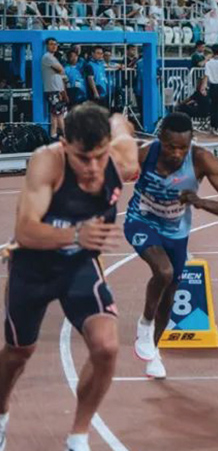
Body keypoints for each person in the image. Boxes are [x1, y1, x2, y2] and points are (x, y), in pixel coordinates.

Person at [0, 103, 139, 451]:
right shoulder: (47, 162)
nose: (92, 167)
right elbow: (26, 230)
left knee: (106, 347)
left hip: (78, 266)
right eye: (82, 158)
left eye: (99, 156)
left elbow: (121, 125)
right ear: (64, 146)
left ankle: (78, 435)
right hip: (33, 267)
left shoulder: (122, 156)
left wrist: (117, 122)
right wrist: (76, 234)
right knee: (18, 352)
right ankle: (0, 413)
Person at [125, 113, 218, 379]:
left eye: (183, 147)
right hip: (141, 221)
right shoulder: (144, 154)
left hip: (176, 232)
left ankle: (154, 351)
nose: (177, 153)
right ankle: (144, 324)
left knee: (169, 294)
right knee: (164, 271)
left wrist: (201, 202)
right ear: (160, 139)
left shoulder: (202, 159)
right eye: (171, 147)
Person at [41, 37, 67, 139]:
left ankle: (58, 135)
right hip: (52, 90)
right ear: (47, 45)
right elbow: (61, 69)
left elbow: (61, 71)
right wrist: (60, 70)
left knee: (58, 113)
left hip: (57, 89)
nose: (54, 46)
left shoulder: (54, 57)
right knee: (56, 114)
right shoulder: (47, 57)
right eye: (51, 44)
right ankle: (56, 135)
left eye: (55, 44)